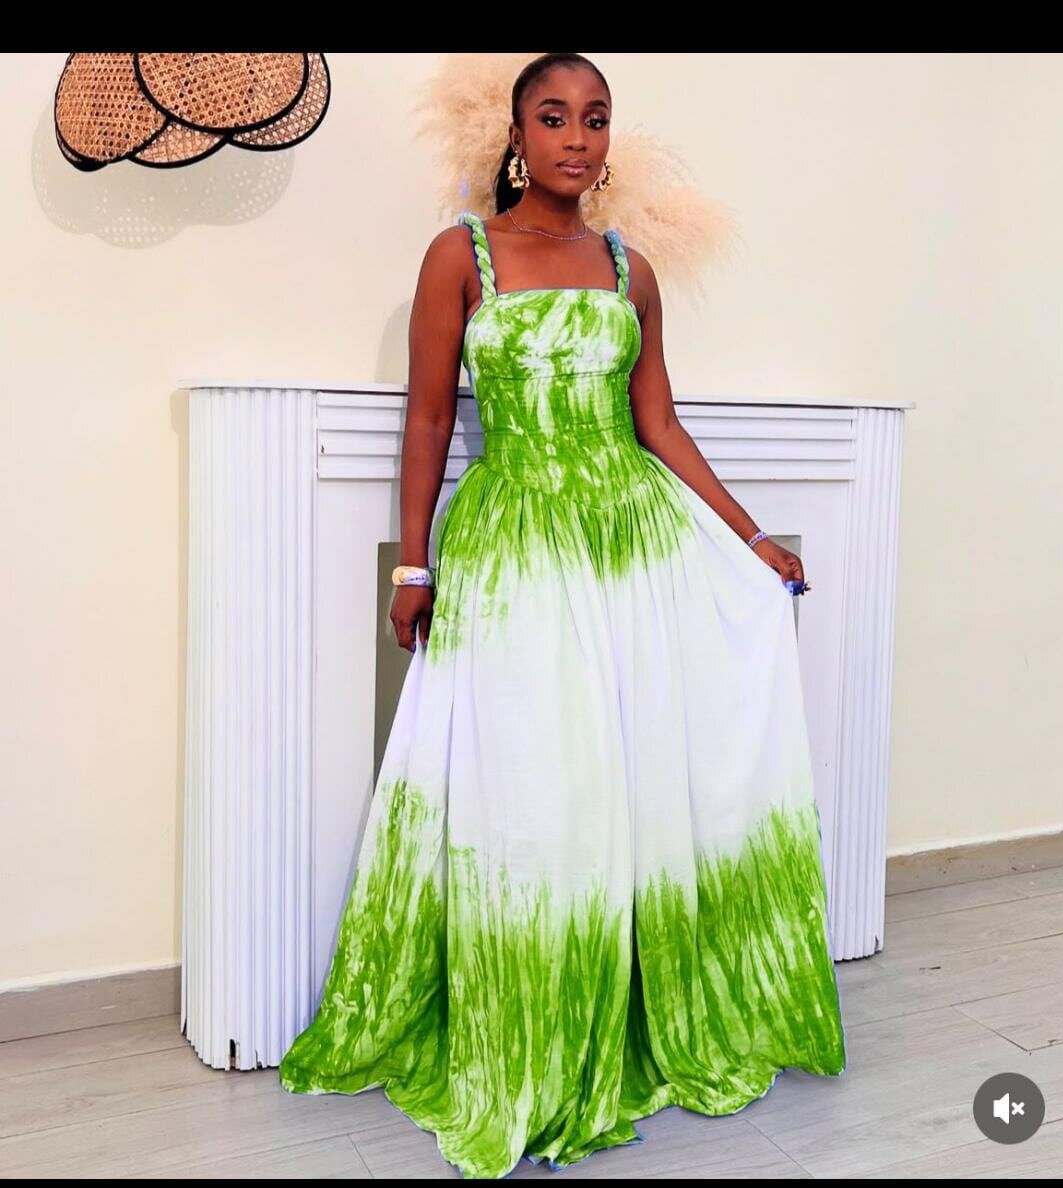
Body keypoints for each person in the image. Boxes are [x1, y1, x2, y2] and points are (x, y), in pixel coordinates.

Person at [278, 51, 847, 1179]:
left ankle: (632, 1003)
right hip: (518, 543)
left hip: (629, 542)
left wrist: (749, 538)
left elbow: (660, 426)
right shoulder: (461, 255)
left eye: (595, 118)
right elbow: (429, 420)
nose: (577, 138)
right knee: (533, 785)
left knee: (627, 776)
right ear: (516, 136)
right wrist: (413, 567)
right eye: (553, 116)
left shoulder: (631, 270)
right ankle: (530, 1020)